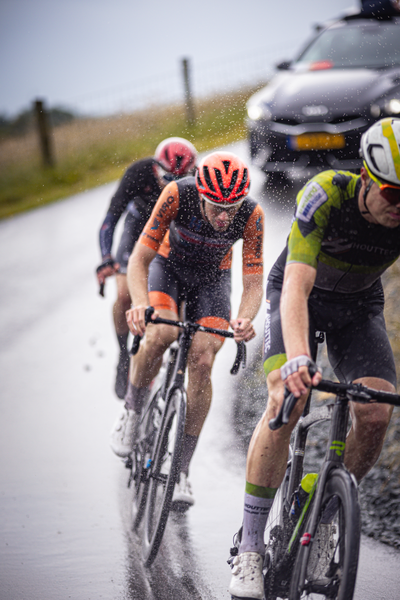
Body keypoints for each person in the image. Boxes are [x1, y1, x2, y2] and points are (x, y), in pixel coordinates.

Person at [229, 117, 400, 600]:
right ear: (367, 177)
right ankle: (249, 545)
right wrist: (299, 360)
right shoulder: (325, 196)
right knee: (288, 401)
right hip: (298, 296)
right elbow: (297, 286)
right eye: (393, 195)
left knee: (376, 410)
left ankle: (325, 517)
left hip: (358, 307)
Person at [110, 151, 265, 509]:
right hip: (168, 268)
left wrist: (243, 318)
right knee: (161, 334)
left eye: (232, 207)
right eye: (215, 207)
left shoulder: (251, 214)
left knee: (202, 358)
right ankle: (132, 413)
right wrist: (137, 302)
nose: (224, 216)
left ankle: (180, 469)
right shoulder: (178, 194)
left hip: (213, 279)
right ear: (201, 193)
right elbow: (139, 259)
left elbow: (253, 283)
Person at [96, 137, 198, 399]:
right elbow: (111, 218)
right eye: (167, 178)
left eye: (181, 178)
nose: (172, 185)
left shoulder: (196, 180)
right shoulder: (138, 173)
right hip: (138, 228)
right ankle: (123, 354)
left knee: (178, 295)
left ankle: (162, 355)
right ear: (155, 168)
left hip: (170, 233)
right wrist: (107, 257)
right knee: (124, 294)